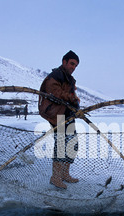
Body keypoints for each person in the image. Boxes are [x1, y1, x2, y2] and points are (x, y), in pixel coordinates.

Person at [39, 50, 80, 189]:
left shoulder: (70, 79)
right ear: (64, 62)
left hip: (68, 114)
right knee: (61, 144)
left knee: (73, 144)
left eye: (76, 66)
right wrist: (72, 98)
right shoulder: (56, 75)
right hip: (57, 114)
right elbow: (53, 92)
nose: (73, 67)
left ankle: (64, 174)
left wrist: (77, 107)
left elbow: (72, 96)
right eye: (72, 64)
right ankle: (55, 177)